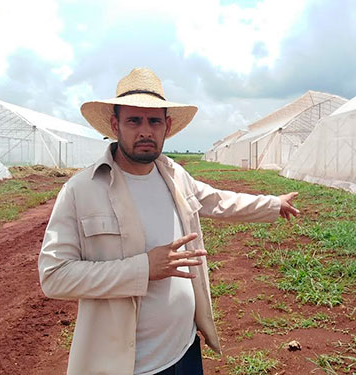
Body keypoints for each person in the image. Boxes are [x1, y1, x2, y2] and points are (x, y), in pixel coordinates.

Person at [38, 67, 300, 375]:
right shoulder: (82, 190)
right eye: (134, 120)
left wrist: (272, 204)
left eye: (154, 121)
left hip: (185, 348)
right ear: (115, 125)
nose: (145, 131)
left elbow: (217, 201)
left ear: (167, 126)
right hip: (131, 366)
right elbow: (54, 276)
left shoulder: (173, 174)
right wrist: (144, 268)